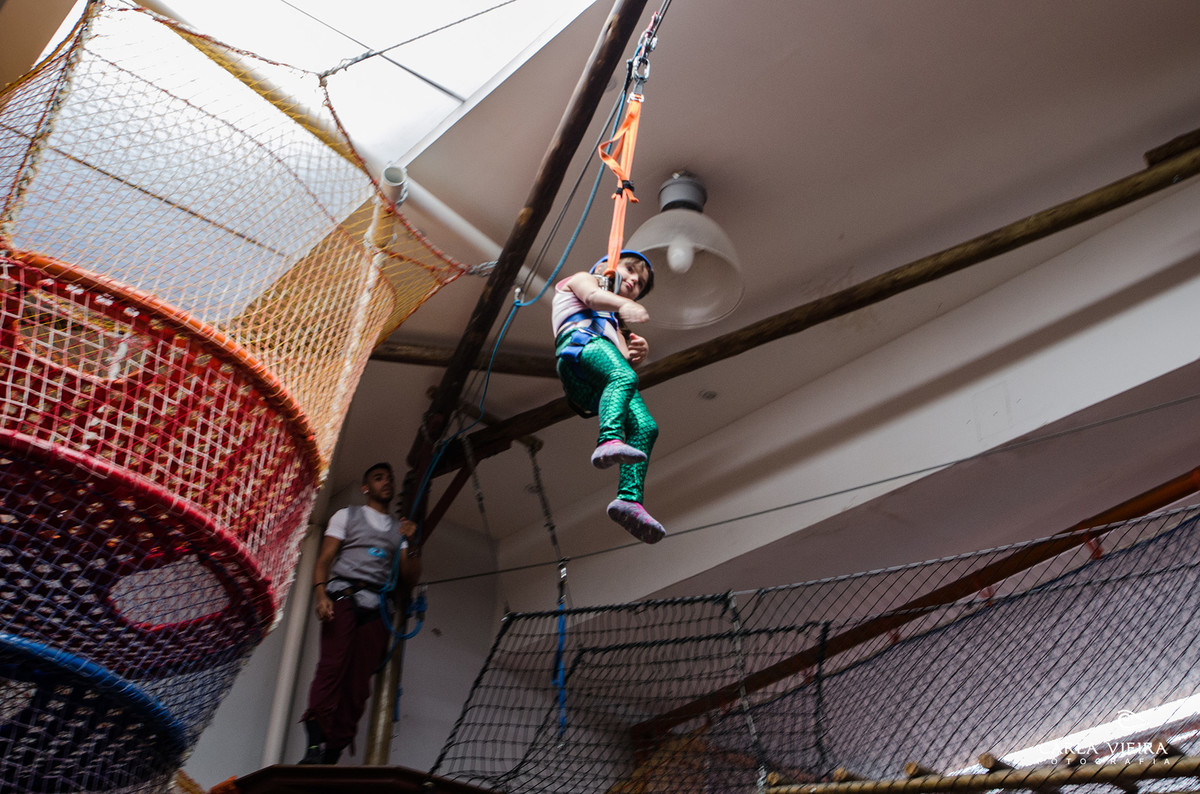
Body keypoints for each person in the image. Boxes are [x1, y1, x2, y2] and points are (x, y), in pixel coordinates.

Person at [299, 462, 420, 764]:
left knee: (357, 686)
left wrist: (410, 542)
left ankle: (333, 752)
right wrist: (320, 594)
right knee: (331, 668)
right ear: (366, 487)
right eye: (378, 478)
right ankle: (314, 745)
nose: (386, 482)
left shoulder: (399, 528)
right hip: (344, 596)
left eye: (389, 479)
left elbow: (410, 576)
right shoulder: (347, 515)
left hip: (378, 606)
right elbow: (325, 558)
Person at [552, 249, 665, 544]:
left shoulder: (613, 325)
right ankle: (608, 440)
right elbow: (591, 297)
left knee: (645, 427)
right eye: (628, 271)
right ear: (606, 266)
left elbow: (620, 364)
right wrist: (623, 304)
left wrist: (637, 353)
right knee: (624, 377)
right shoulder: (581, 279)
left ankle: (629, 500)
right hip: (579, 350)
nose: (633, 282)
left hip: (596, 385)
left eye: (639, 283)